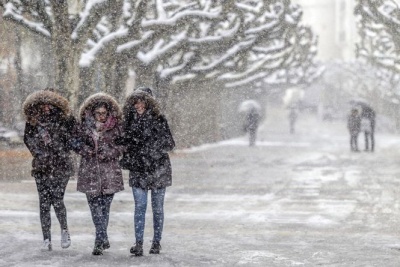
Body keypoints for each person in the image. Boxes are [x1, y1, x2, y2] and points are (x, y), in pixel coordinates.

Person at [117, 89, 175, 256]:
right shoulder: (128, 121)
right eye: (136, 102)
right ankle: (139, 243)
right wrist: (125, 144)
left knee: (157, 208)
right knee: (140, 207)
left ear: (149, 103)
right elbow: (124, 142)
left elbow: (170, 143)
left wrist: (151, 149)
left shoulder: (159, 119)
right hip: (138, 169)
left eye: (142, 101)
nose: (139, 105)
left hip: (158, 169)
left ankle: (156, 242)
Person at [23, 88, 76, 251]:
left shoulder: (65, 118)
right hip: (42, 167)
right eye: (43, 104)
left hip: (61, 166)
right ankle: (46, 238)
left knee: (57, 199)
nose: (46, 107)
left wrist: (60, 148)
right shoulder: (33, 120)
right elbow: (28, 139)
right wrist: (38, 152)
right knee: (44, 203)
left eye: (50, 103)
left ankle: (65, 230)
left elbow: (73, 137)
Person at [75, 93, 124, 256]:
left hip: (109, 173)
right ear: (92, 113)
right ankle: (102, 238)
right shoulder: (84, 126)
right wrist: (86, 150)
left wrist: (110, 152)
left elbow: (124, 146)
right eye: (98, 113)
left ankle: (99, 240)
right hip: (89, 172)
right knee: (95, 209)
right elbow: (75, 143)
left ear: (109, 113)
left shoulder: (116, 126)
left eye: (104, 113)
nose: (101, 116)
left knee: (104, 209)